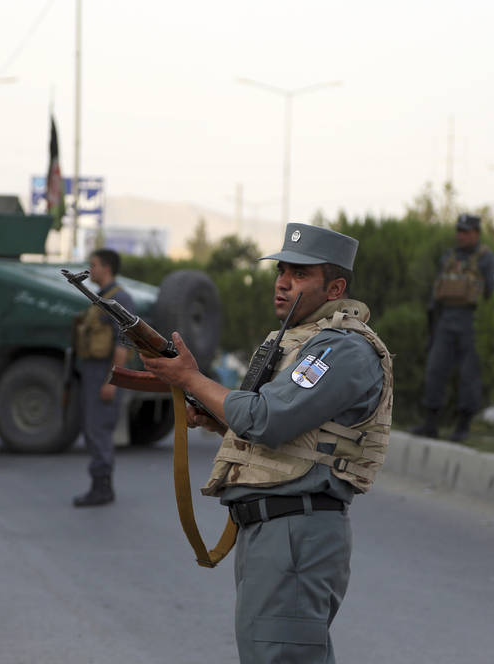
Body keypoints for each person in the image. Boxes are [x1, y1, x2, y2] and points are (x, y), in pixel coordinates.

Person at [142, 223, 393, 664]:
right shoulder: (302, 342)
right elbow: (291, 433)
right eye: (281, 271)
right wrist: (218, 418)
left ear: (335, 287)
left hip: (295, 531)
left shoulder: (342, 349)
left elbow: (266, 418)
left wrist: (190, 378)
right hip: (273, 529)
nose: (282, 282)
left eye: (299, 274)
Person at [412, 213, 494, 441]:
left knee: (469, 374)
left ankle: (463, 426)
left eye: (465, 232)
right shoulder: (449, 257)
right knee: (435, 369)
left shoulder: (487, 260)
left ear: (476, 234)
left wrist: (490, 326)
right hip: (446, 320)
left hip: (472, 322)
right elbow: (438, 291)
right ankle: (430, 422)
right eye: (458, 231)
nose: (460, 236)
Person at [71, 248, 135, 507]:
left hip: (103, 371)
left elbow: (124, 344)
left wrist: (112, 379)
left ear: (106, 268)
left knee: (99, 430)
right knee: (93, 428)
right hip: (92, 370)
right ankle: (99, 484)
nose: (90, 269)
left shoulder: (120, 299)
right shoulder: (102, 297)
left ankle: (102, 487)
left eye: (93, 265)